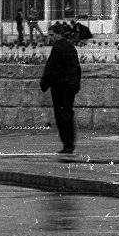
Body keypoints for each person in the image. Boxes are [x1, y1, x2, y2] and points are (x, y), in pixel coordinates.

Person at [39, 24, 81, 154]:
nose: (50, 38)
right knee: (68, 113)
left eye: (51, 35)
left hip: (60, 87)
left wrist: (44, 83)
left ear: (58, 34)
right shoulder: (71, 47)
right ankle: (70, 143)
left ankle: (67, 144)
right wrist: (76, 84)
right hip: (71, 86)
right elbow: (77, 68)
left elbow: (52, 68)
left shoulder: (57, 48)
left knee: (62, 115)